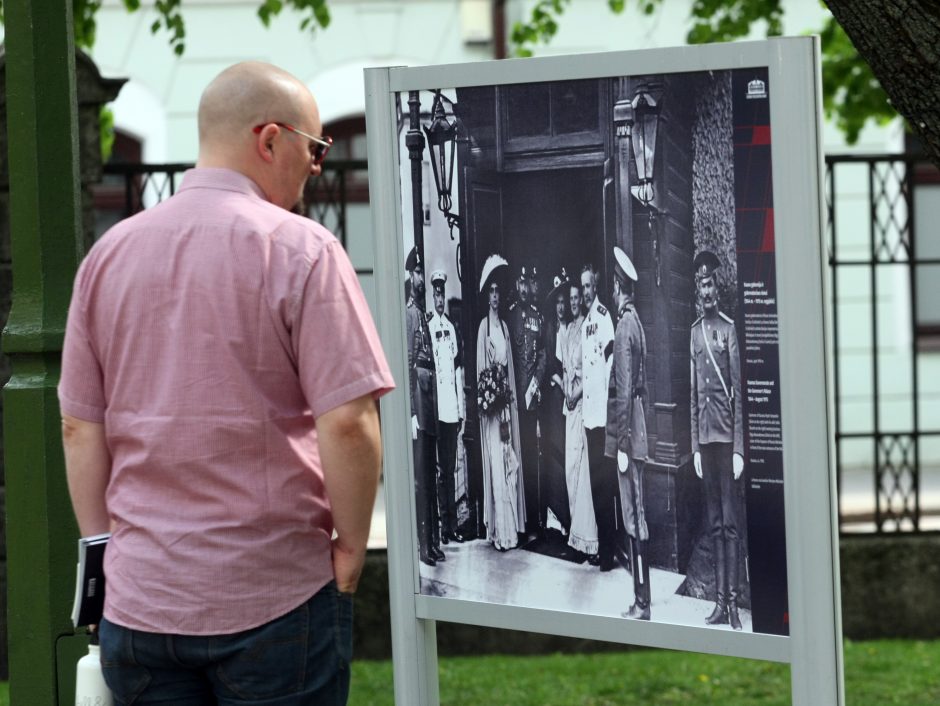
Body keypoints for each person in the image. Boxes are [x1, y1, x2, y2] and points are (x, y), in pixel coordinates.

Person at [58, 61, 394, 704]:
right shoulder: (305, 251)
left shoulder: (107, 256)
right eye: (315, 145)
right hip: (277, 593)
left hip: (141, 601)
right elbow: (348, 422)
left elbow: (79, 425)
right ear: (269, 140)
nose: (319, 164)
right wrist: (350, 548)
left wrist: (108, 560)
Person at [690, 250, 745, 631]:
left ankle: (732, 605)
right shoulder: (693, 333)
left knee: (730, 524)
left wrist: (740, 447)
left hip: (726, 442)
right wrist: (694, 445)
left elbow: (738, 393)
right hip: (706, 442)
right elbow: (694, 395)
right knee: (713, 523)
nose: (706, 291)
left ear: (717, 288)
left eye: (710, 284)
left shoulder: (727, 330)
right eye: (701, 285)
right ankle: (717, 604)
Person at [605, 247, 651, 620]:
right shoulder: (637, 323)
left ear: (618, 286)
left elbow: (622, 389)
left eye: (613, 284)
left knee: (634, 517)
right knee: (638, 513)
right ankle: (642, 597)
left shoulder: (623, 327)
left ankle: (642, 602)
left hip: (628, 434)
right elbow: (641, 388)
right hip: (639, 428)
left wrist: (621, 442)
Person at [477, 255, 525, 551]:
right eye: (491, 292)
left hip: (505, 407)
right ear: (487, 295)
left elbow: (509, 371)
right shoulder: (484, 328)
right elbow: (482, 372)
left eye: (498, 291)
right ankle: (500, 532)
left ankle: (512, 531)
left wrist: (507, 399)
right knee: (496, 463)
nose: (495, 297)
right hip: (492, 411)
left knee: (509, 462)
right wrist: (489, 398)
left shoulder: (505, 328)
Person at [406, 247, 443, 567]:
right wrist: (412, 412)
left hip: (429, 396)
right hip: (419, 395)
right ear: (410, 276)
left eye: (422, 273)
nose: (421, 279)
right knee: (421, 476)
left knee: (431, 471)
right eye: (418, 273)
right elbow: (407, 362)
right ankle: (423, 545)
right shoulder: (409, 314)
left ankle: (433, 542)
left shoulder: (423, 313)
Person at [581, 263, 617, 571]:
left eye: (588, 287)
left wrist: (609, 410)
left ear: (597, 287)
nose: (584, 292)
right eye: (581, 288)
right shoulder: (584, 323)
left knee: (606, 487)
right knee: (595, 485)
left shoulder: (604, 318)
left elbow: (609, 365)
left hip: (603, 419)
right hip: (588, 418)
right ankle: (604, 547)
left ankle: (609, 551)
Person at [559, 281, 598, 558]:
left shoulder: (587, 327)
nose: (573, 302)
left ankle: (587, 540)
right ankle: (575, 532)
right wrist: (565, 390)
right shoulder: (569, 330)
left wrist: (575, 392)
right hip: (569, 406)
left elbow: (591, 371)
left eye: (576, 297)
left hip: (583, 403)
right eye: (570, 298)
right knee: (570, 468)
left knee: (583, 472)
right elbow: (563, 369)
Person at [508, 264, 546, 539]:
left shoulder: (537, 317)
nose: (524, 288)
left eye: (528, 282)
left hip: (531, 401)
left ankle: (534, 520)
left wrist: (536, 385)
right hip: (512, 404)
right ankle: (517, 522)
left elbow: (542, 353)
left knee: (532, 460)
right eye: (520, 283)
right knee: (515, 460)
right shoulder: (510, 317)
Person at [428, 269, 466, 546]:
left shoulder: (452, 328)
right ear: (433, 296)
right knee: (441, 472)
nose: (440, 298)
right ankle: (443, 526)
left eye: (442, 294)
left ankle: (452, 526)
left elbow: (455, 371)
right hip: (437, 411)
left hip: (451, 409)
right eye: (437, 294)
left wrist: (460, 409)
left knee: (451, 469)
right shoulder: (429, 327)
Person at [541, 271, 572, 535]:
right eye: (558, 303)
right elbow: (549, 364)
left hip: (570, 397)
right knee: (556, 451)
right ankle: (557, 514)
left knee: (571, 453)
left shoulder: (572, 328)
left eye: (565, 302)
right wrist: (561, 383)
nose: (562, 307)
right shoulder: (550, 329)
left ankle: (571, 516)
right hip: (555, 398)